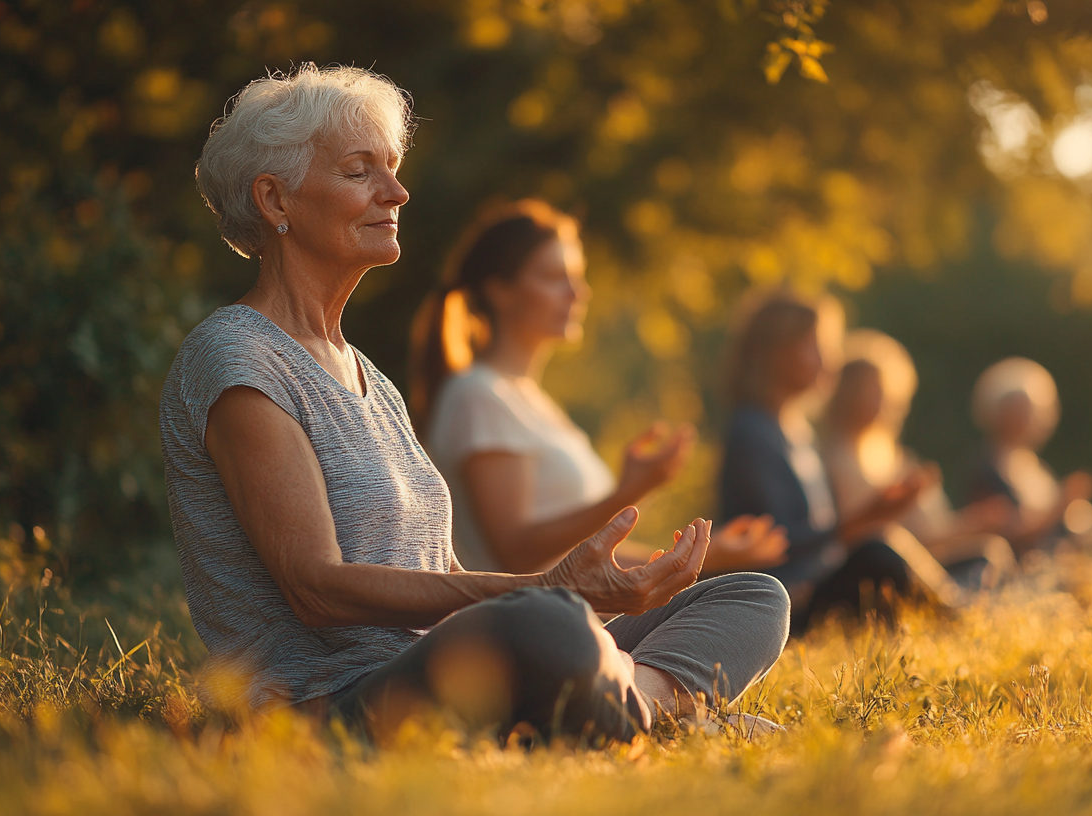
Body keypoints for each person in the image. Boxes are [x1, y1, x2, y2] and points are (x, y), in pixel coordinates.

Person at [159, 65, 789, 744]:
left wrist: (572, 587)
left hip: (459, 661)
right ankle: (664, 716)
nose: (396, 192)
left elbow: (442, 572)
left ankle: (627, 703)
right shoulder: (236, 356)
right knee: (547, 624)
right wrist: (551, 592)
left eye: (393, 169)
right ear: (275, 200)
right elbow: (315, 588)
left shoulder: (371, 378)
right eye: (359, 171)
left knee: (751, 595)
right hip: (328, 704)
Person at [411, 199, 787, 578]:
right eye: (553, 277)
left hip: (572, 613)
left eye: (576, 276)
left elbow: (586, 561)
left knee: (753, 593)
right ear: (500, 291)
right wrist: (625, 494)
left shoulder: (532, 403)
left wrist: (701, 556)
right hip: (519, 623)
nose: (577, 293)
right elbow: (517, 556)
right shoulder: (478, 395)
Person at [718, 293, 931, 631]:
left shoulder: (794, 430)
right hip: (781, 603)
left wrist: (871, 516)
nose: (828, 361)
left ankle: (951, 611)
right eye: (814, 346)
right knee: (877, 551)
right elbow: (775, 543)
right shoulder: (751, 431)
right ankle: (956, 615)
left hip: (811, 585)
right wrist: (863, 519)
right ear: (776, 353)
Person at [821, 331, 1015, 591]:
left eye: (884, 388)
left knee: (989, 552)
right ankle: (957, 605)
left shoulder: (896, 457)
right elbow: (875, 542)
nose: (880, 398)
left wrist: (971, 523)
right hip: (877, 569)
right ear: (845, 392)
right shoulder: (835, 458)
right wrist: (970, 525)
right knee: (987, 554)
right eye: (869, 389)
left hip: (917, 559)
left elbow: (930, 533)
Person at [963, 357, 1092, 555]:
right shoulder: (987, 468)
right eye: (1024, 408)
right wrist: (1060, 505)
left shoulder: (1036, 467)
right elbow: (1000, 535)